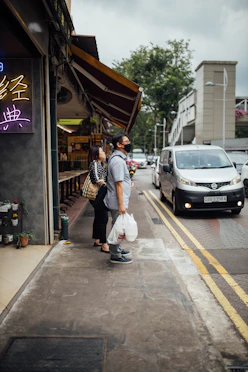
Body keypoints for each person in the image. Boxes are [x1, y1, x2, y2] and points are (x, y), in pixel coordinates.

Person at [104, 133, 134, 264]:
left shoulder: (118, 159)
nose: (129, 143)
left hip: (119, 199)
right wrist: (121, 204)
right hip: (117, 201)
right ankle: (115, 255)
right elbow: (118, 183)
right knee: (117, 227)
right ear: (119, 144)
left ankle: (117, 248)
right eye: (126, 141)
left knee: (119, 226)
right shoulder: (117, 161)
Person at [88, 146, 109, 253]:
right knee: (103, 218)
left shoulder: (100, 164)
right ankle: (104, 244)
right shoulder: (95, 164)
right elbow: (97, 179)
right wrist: (109, 186)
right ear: (97, 154)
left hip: (100, 194)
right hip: (98, 195)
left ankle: (98, 239)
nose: (104, 153)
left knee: (99, 217)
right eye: (102, 151)